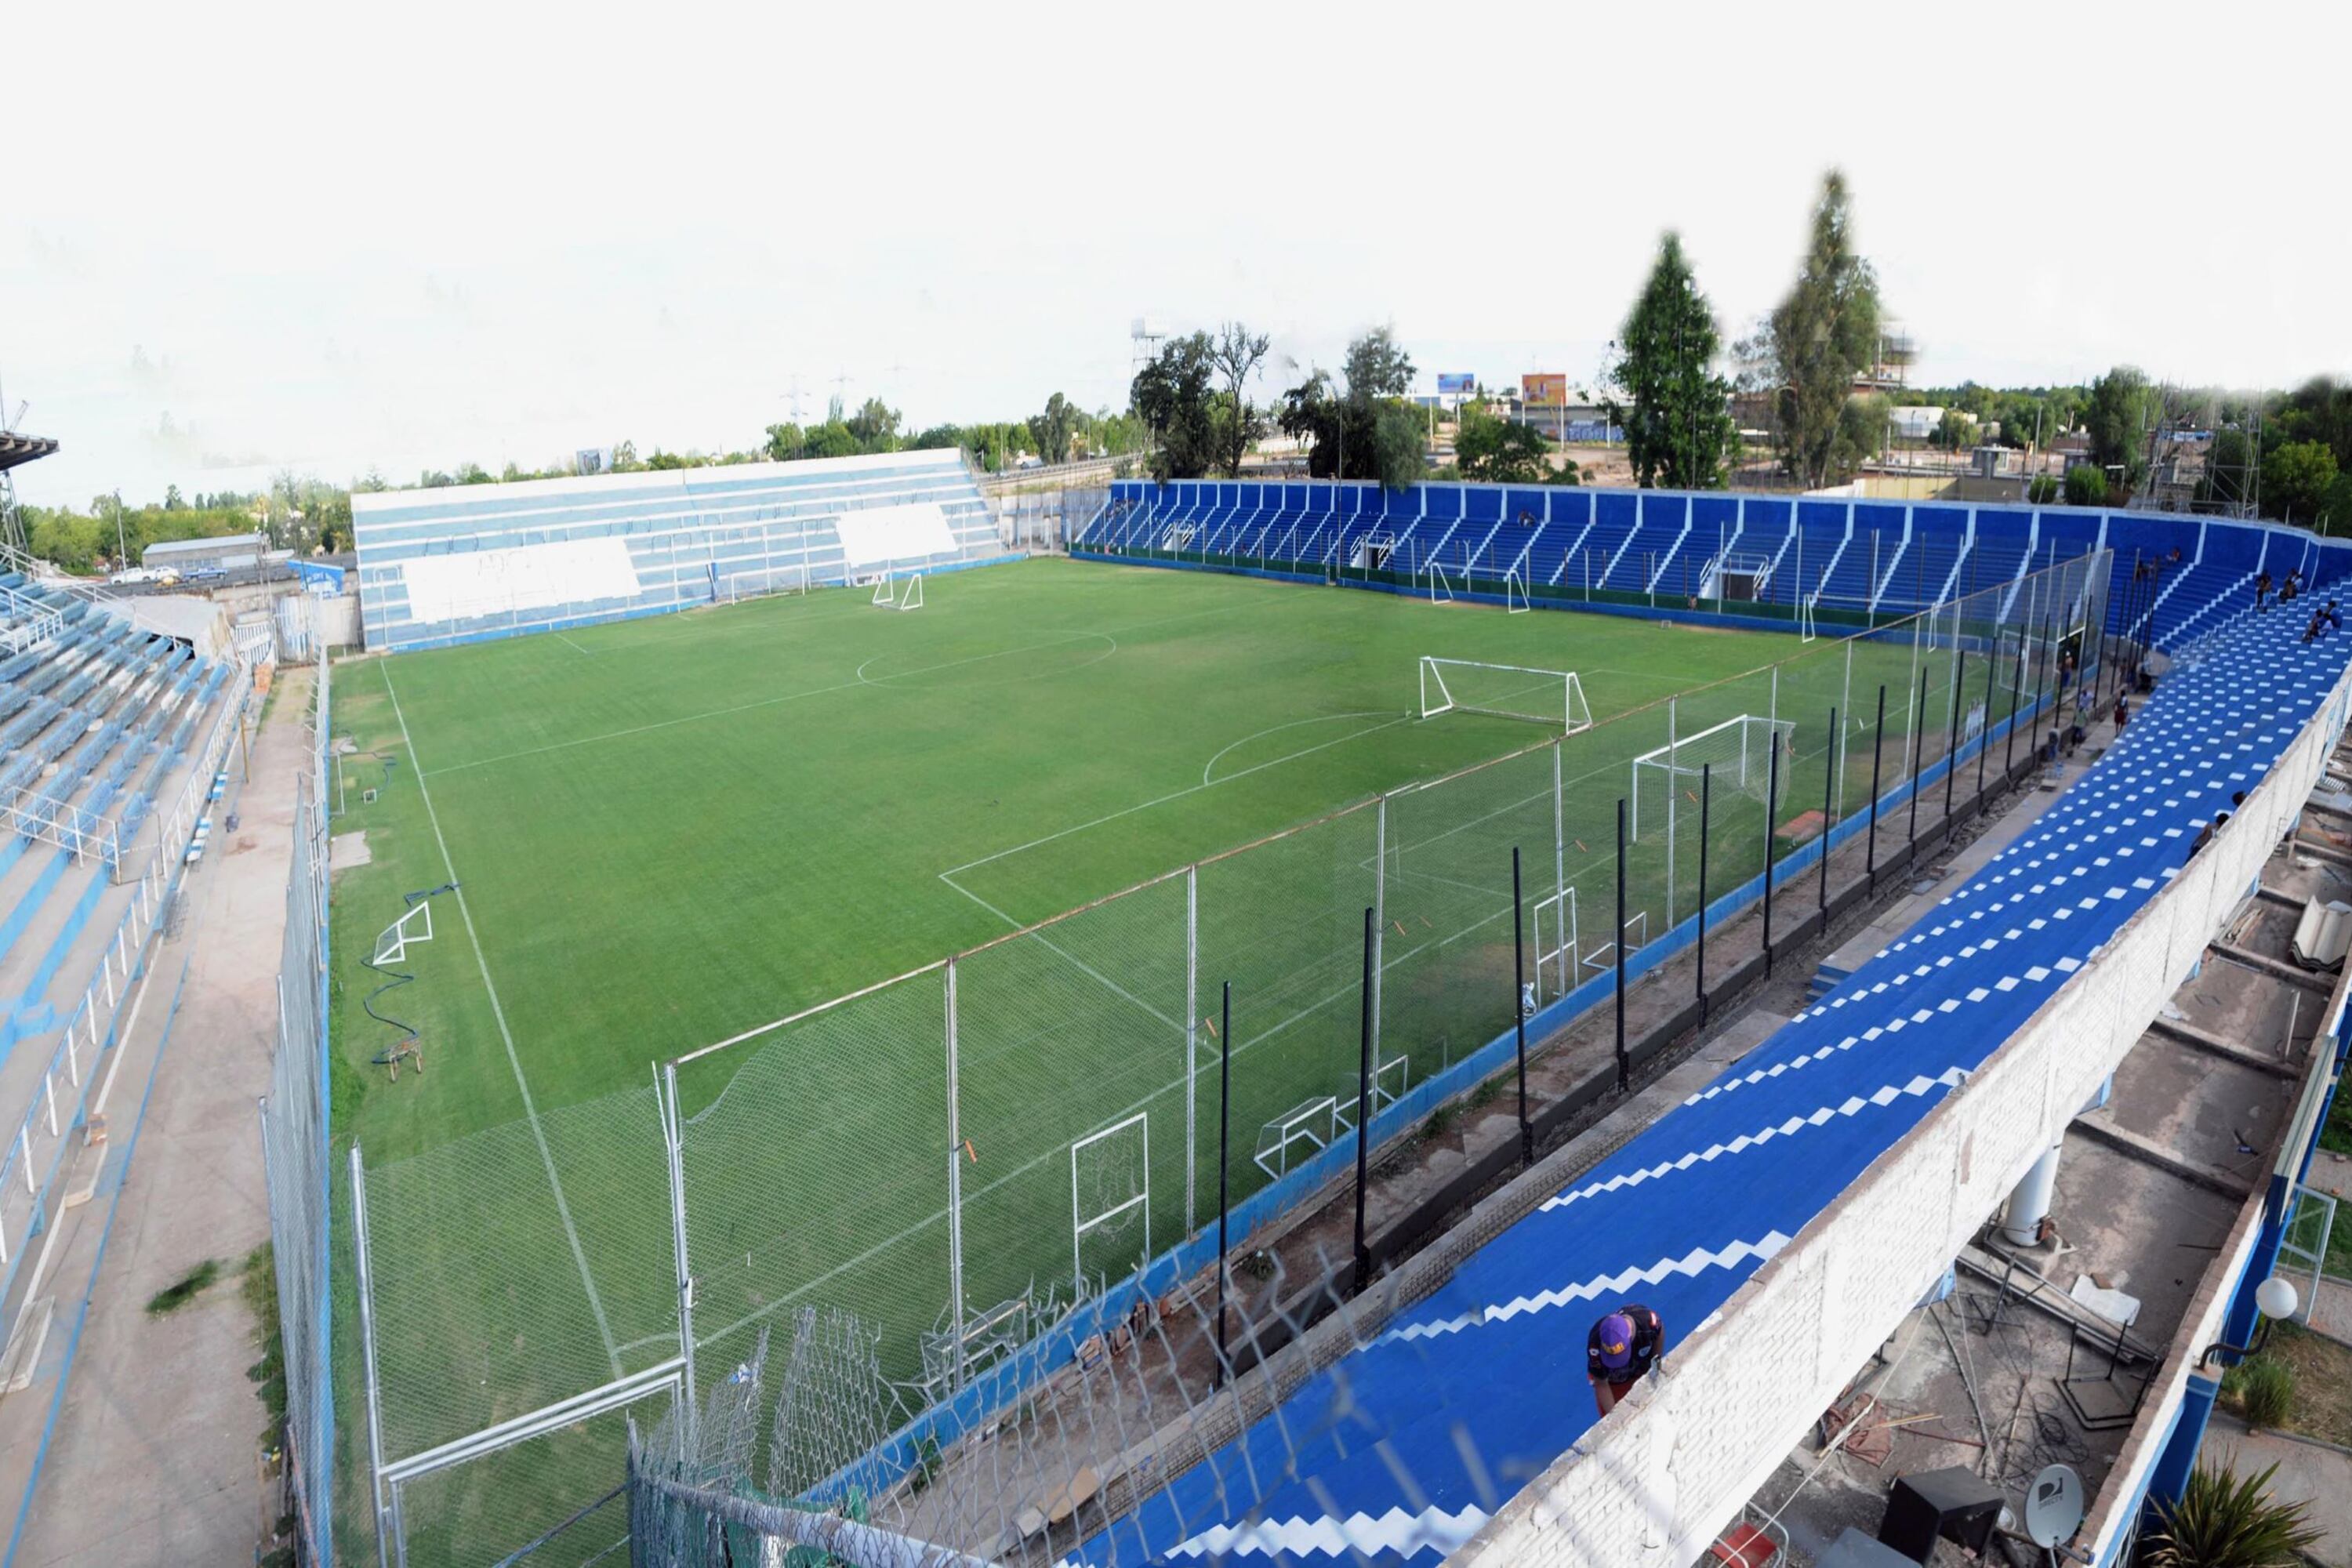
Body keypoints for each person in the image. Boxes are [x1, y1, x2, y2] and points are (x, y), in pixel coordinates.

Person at [1588, 1305, 1664, 1417]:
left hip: (1640, 1373)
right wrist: (1614, 1419)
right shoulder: (1595, 1344)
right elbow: (1601, 1383)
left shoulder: (1649, 1323)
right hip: (1613, 1384)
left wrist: (1655, 1366)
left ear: (1630, 1336)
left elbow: (1659, 1332)